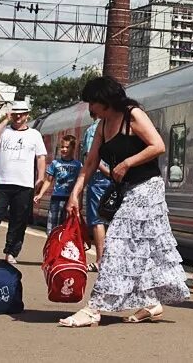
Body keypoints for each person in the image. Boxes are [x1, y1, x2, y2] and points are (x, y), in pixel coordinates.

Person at [58, 76, 188, 327]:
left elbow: (158, 145)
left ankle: (94, 308)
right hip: (128, 190)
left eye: (91, 103)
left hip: (147, 188)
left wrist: (128, 162)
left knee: (116, 242)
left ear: (104, 100)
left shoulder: (133, 115)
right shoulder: (102, 126)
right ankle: (151, 304)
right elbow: (90, 162)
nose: (89, 109)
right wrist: (75, 194)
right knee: (139, 250)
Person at [0, 99, 47, 264]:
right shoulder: (4, 131)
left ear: (27, 116)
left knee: (18, 221)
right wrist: (5, 119)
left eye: (21, 114)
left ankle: (11, 252)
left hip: (24, 184)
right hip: (1, 182)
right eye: (15, 113)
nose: (18, 116)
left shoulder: (34, 135)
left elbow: (41, 157)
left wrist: (41, 177)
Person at [34, 135, 82, 233]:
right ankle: (52, 243)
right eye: (62, 147)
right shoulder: (55, 163)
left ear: (73, 148)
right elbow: (48, 180)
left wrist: (79, 200)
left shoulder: (78, 165)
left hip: (70, 199)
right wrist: (40, 194)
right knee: (53, 226)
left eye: (67, 147)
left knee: (67, 226)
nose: (64, 149)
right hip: (56, 198)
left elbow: (80, 184)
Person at [81, 112, 111, 271]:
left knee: (98, 220)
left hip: (99, 178)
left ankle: (100, 260)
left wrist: (106, 172)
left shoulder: (93, 130)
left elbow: (91, 158)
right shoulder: (115, 127)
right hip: (118, 178)